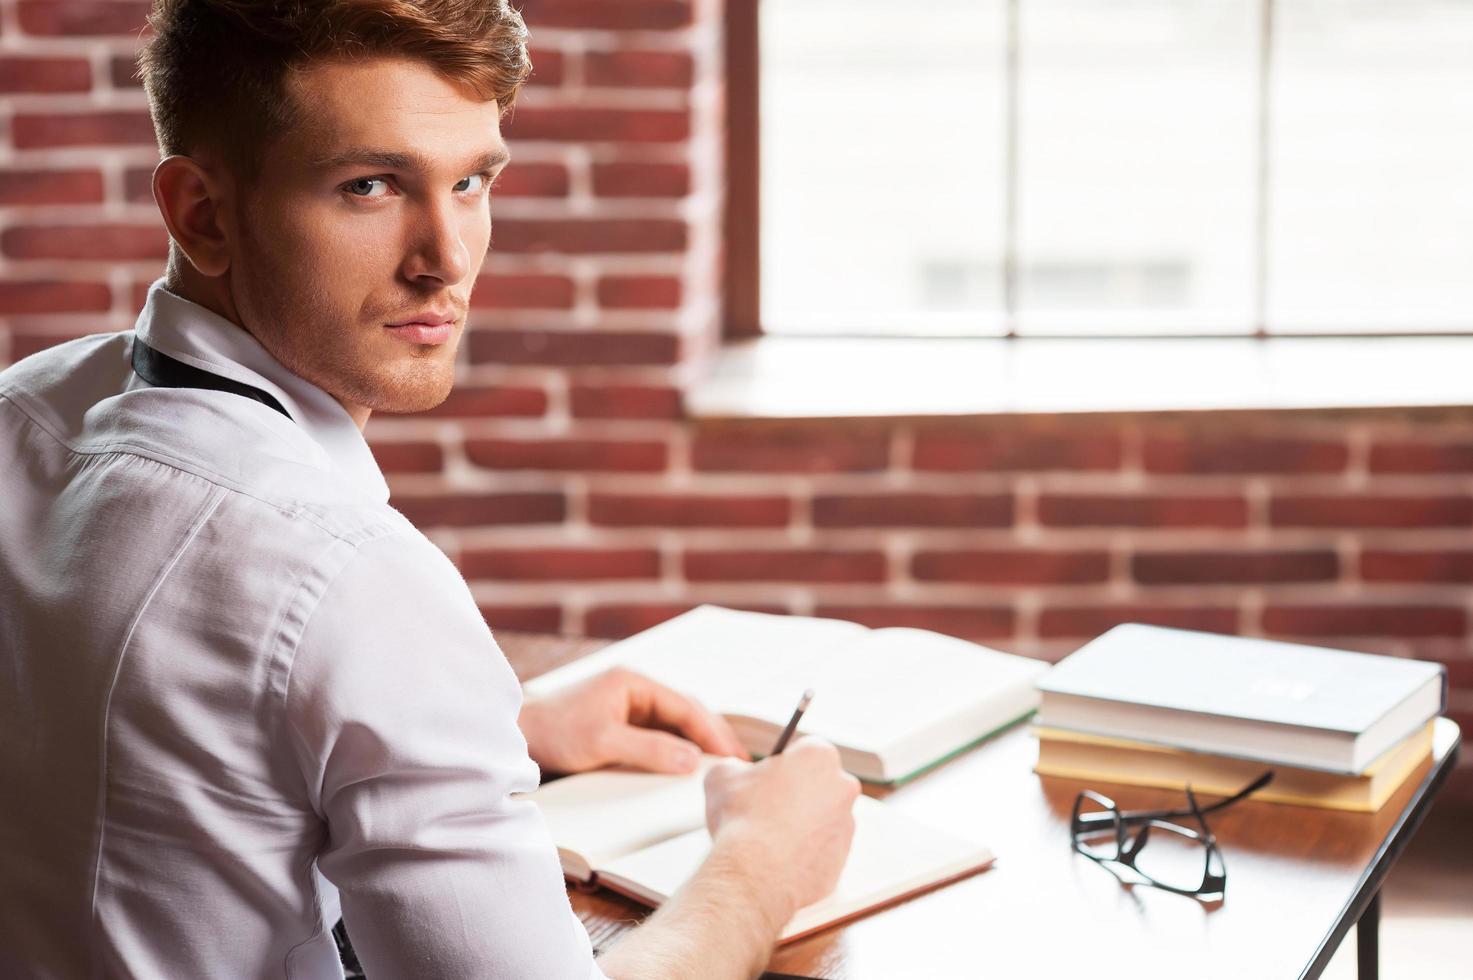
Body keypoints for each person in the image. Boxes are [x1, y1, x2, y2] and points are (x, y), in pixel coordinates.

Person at [0, 1, 860, 977]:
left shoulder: (24, 410)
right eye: (368, 185)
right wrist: (762, 860)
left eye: (472, 180)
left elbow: (108, 742)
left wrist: (493, 724)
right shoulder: (345, 576)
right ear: (202, 212)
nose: (446, 259)